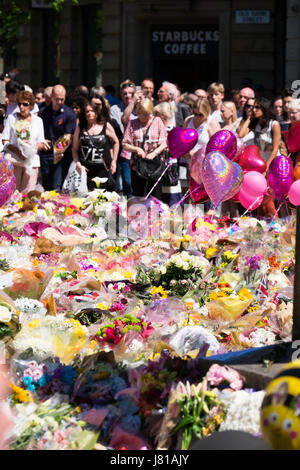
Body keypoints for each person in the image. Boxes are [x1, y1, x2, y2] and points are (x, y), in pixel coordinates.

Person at [239, 97, 281, 217]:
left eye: (257, 107)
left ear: (264, 108)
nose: (254, 109)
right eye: (252, 107)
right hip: (260, 167)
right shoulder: (256, 124)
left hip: (272, 166)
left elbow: (275, 149)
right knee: (259, 201)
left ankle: (278, 228)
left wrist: (266, 168)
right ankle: (262, 229)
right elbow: (241, 134)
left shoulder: (274, 124)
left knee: (268, 201)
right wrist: (249, 118)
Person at [122, 98, 167, 199]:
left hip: (155, 165)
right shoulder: (132, 123)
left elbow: (165, 143)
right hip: (138, 165)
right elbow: (125, 144)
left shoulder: (157, 121)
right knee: (138, 195)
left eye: (147, 114)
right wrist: (137, 149)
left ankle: (155, 214)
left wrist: (154, 153)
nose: (144, 116)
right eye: (141, 114)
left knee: (156, 196)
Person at [2, 90, 45, 193]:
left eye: (25, 104)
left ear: (31, 106)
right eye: (19, 104)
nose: (21, 107)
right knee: (12, 194)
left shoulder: (38, 121)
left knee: (28, 194)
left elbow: (41, 143)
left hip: (31, 162)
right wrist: (17, 151)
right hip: (14, 161)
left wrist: (30, 149)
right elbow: (4, 139)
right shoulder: (12, 118)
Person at [72, 101, 119, 191]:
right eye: (87, 111)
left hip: (103, 169)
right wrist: (77, 162)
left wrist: (114, 161)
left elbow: (116, 142)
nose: (90, 113)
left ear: (97, 112)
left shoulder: (105, 125)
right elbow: (74, 148)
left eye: (92, 111)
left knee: (103, 197)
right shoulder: (80, 127)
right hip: (86, 169)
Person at [39, 84, 77, 191]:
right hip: (45, 155)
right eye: (57, 99)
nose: (60, 102)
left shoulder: (69, 114)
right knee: (46, 188)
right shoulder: (42, 112)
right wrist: (41, 141)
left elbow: (67, 136)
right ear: (51, 96)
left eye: (62, 99)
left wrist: (58, 151)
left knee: (57, 187)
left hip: (61, 156)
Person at [110, 79, 139, 196]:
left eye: (131, 93)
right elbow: (123, 123)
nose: (128, 96)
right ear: (121, 95)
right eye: (125, 93)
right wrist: (132, 103)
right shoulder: (115, 109)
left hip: (141, 151)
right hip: (125, 150)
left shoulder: (141, 107)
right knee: (126, 184)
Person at [154, 101, 182, 205]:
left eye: (156, 114)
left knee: (170, 195)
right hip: (158, 164)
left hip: (168, 165)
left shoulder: (172, 129)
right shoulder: (157, 128)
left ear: (163, 115)